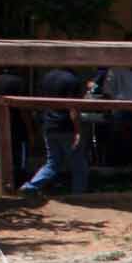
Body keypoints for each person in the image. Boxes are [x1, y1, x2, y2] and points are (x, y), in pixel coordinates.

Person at [21, 66, 89, 195]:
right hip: (67, 127)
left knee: (52, 163)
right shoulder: (72, 80)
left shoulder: (47, 77)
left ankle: (30, 187)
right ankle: (78, 195)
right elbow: (73, 107)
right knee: (78, 165)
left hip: (49, 125)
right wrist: (78, 131)